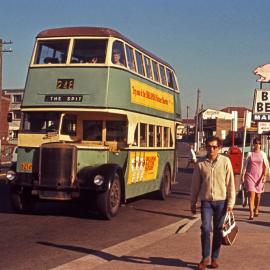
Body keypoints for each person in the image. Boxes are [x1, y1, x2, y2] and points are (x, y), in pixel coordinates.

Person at [191, 136, 235, 270]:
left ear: (219, 148)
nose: (211, 149)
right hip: (206, 202)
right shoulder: (200, 164)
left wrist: (230, 204)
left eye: (214, 147)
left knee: (218, 230)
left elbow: (230, 184)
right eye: (209, 146)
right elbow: (195, 185)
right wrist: (193, 202)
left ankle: (214, 258)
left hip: (221, 202)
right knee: (205, 229)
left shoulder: (225, 161)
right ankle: (205, 258)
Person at [241, 137, 269, 220]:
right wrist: (243, 175)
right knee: (251, 195)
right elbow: (245, 166)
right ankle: (251, 213)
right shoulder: (249, 154)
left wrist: (264, 176)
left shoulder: (263, 154)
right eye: (256, 143)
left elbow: (265, 166)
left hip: (260, 177)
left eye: (259, 143)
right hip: (250, 176)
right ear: (253, 144)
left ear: (260, 145)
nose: (257, 145)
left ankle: (256, 208)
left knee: (258, 196)